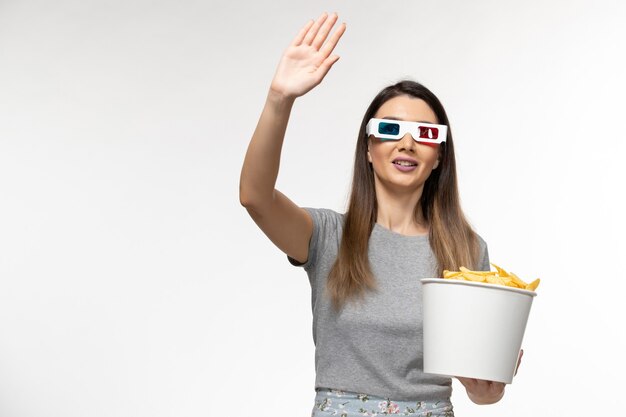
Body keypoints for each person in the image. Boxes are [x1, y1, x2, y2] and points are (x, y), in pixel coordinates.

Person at [239, 12, 521, 417]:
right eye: (389, 130)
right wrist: (279, 99)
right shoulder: (327, 236)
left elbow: (478, 385)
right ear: (368, 149)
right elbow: (254, 196)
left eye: (425, 134)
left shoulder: (467, 251)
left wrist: (488, 391)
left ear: (439, 155)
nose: (406, 143)